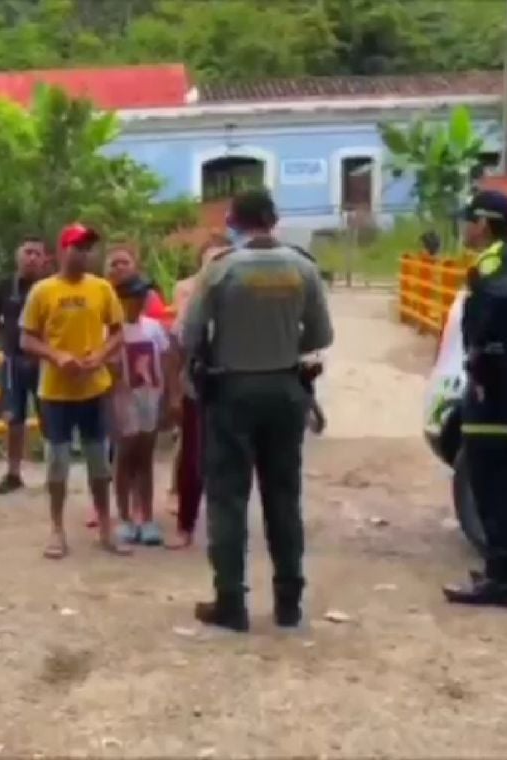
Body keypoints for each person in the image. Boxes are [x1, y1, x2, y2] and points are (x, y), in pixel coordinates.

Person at [182, 189, 334, 632]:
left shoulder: (221, 269)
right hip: (286, 389)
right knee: (283, 497)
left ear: (234, 220)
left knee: (228, 500)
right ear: (273, 218)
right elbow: (321, 334)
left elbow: (189, 336)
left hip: (232, 391)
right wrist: (283, 342)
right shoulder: (302, 267)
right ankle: (289, 604)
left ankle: (231, 603)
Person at [443, 190, 507, 608]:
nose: (465, 228)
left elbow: (498, 309)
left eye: (469, 221)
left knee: (491, 481)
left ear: (483, 223)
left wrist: (482, 363)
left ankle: (501, 580)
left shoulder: (493, 263)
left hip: (497, 385)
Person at [20, 223, 127, 559]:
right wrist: (56, 356)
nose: (84, 253)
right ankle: (56, 528)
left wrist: (100, 355)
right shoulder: (43, 291)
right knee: (58, 463)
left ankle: (106, 525)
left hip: (94, 389)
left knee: (99, 462)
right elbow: (26, 338)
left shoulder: (102, 289)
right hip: (55, 391)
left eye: (88, 248)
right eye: (77, 247)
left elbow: (118, 332)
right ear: (63, 249)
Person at [166, 235, 232, 548]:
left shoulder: (241, 290)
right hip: (198, 379)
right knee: (192, 455)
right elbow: (180, 335)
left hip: (233, 382)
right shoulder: (188, 289)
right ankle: (185, 524)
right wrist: (176, 387)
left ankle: (227, 527)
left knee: (231, 457)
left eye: (223, 257)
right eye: (211, 258)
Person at [108, 273, 170, 546]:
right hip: (123, 400)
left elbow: (167, 360)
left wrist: (169, 397)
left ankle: (145, 515)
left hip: (149, 397)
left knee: (145, 457)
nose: (141, 300)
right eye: (135, 296)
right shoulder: (110, 330)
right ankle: (123, 516)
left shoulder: (153, 328)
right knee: (124, 458)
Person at [0, 237, 48, 495]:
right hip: (13, 360)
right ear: (18, 256)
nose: (32, 257)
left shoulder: (51, 287)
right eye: (27, 252)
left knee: (50, 418)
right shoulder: (3, 287)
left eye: (37, 253)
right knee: (14, 420)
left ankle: (54, 472)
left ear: (45, 259)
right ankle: (13, 473)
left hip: (45, 361)